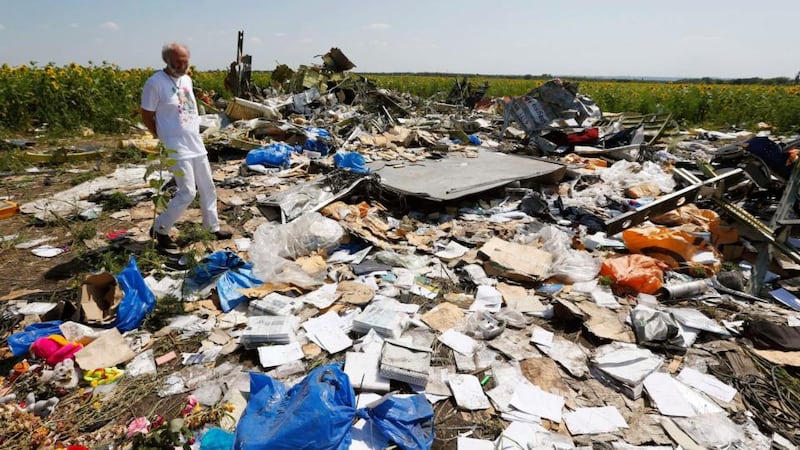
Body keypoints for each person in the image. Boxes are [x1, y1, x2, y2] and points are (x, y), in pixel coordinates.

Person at [141, 43, 231, 249]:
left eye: (185, 62)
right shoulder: (155, 83)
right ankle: (160, 228)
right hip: (176, 147)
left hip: (195, 143)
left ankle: (212, 228)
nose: (182, 66)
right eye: (177, 62)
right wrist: (161, 135)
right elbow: (146, 114)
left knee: (208, 187)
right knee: (187, 192)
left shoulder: (187, 80)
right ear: (167, 61)